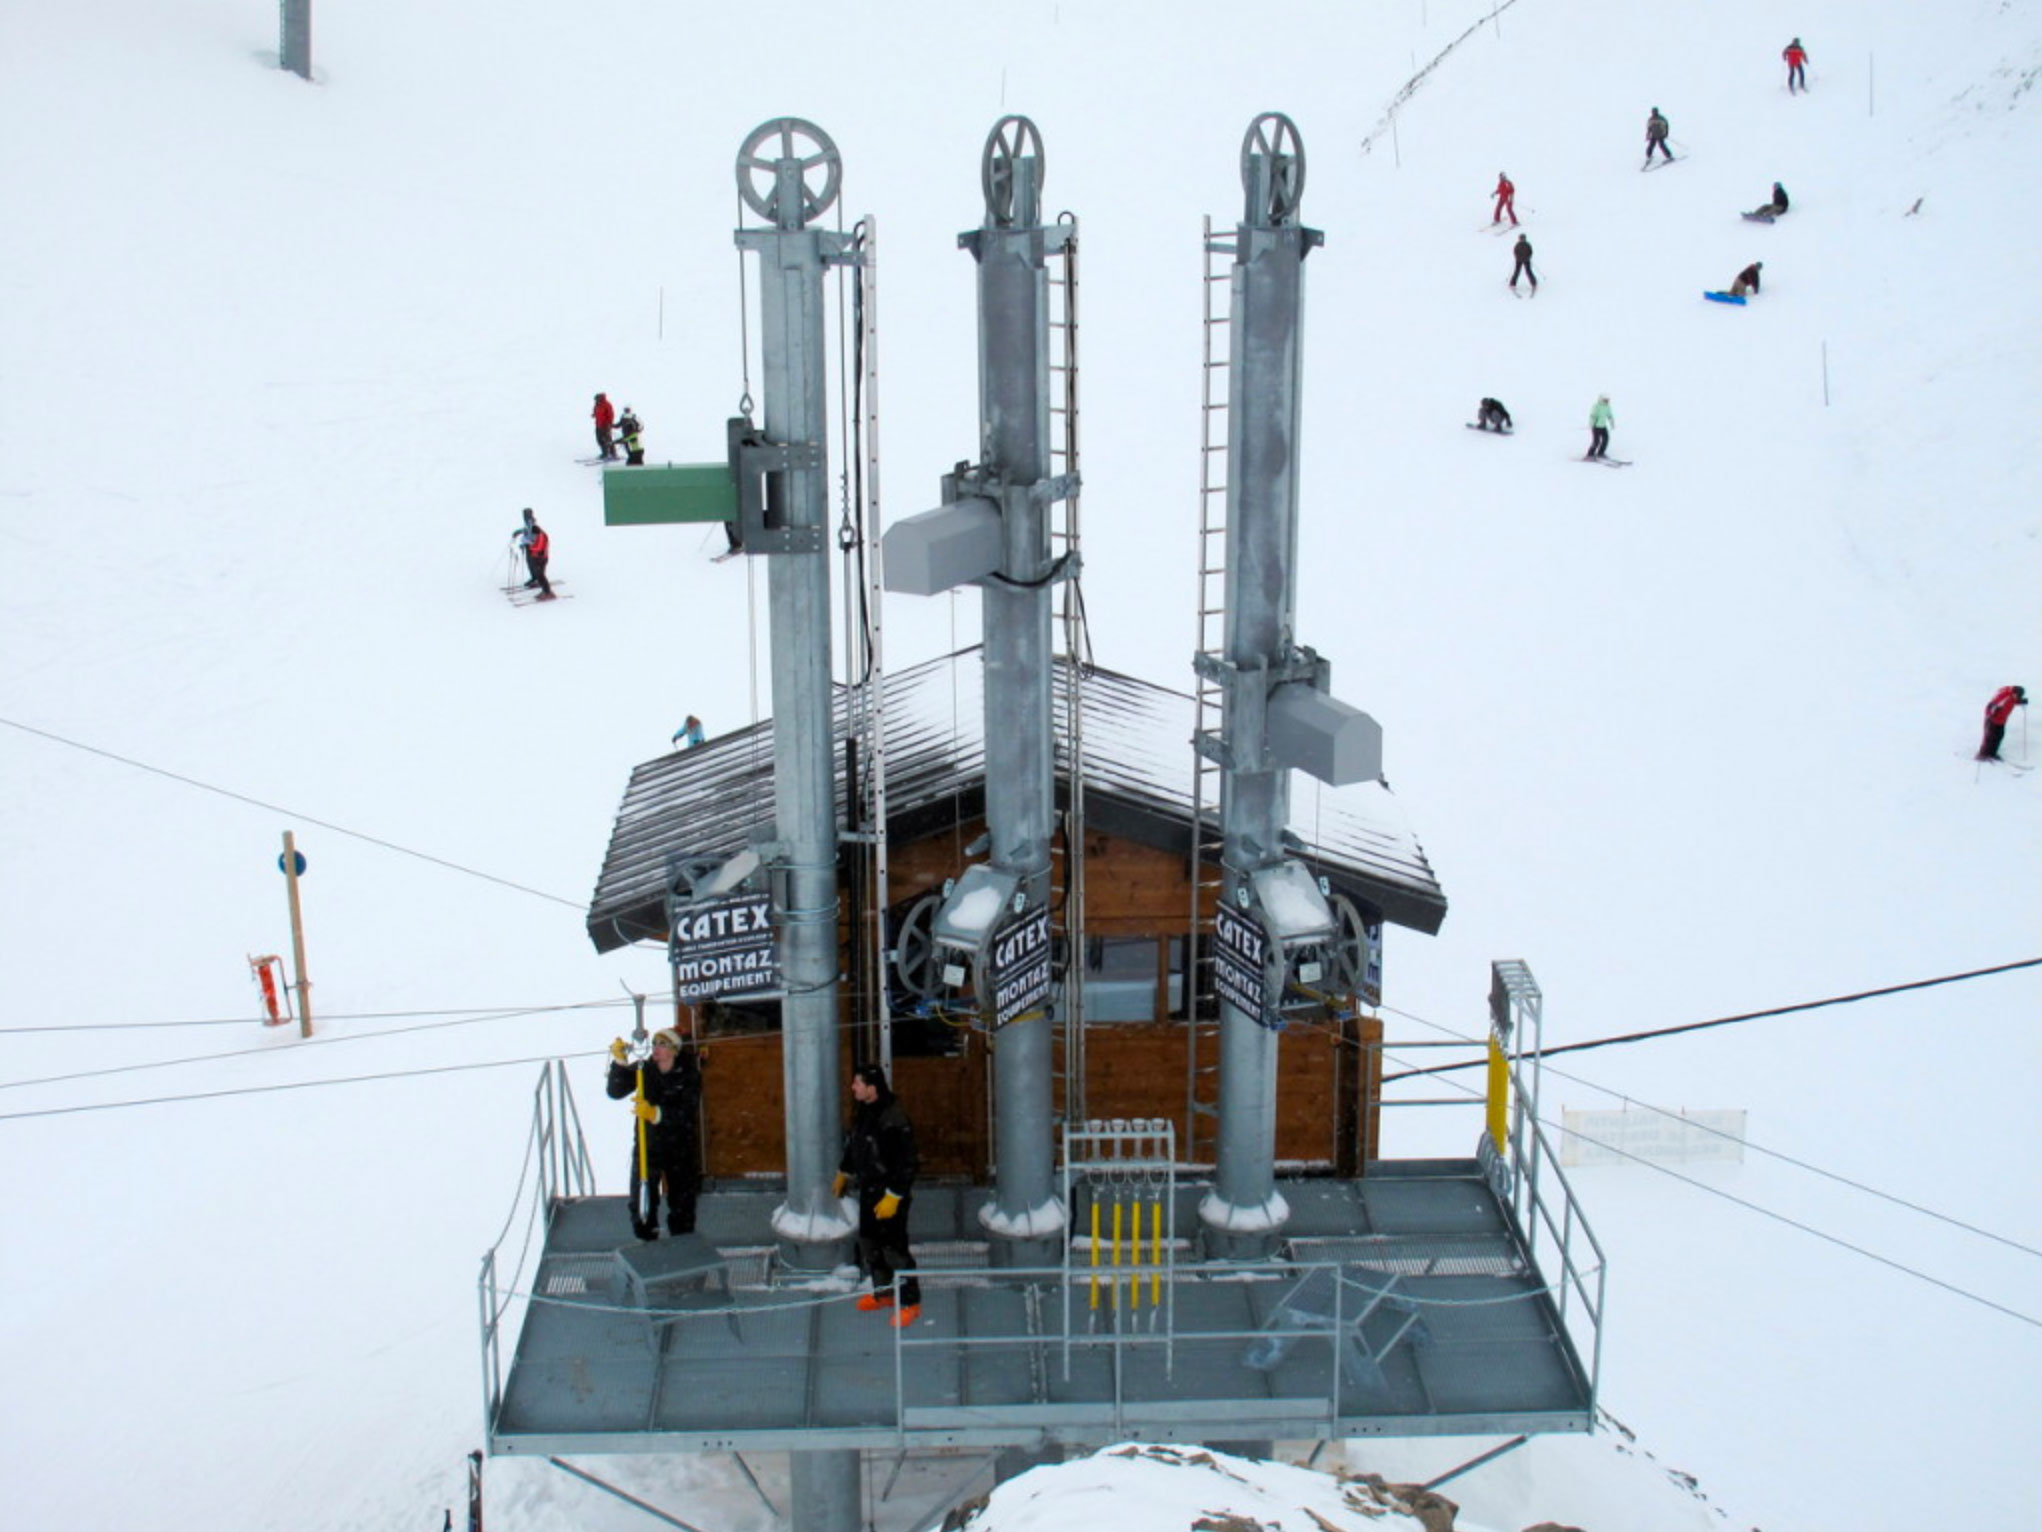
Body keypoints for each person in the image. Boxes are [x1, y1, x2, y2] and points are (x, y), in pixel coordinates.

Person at [835, 1062, 921, 1327]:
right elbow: (856, 1144)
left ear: (872, 1088)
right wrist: (845, 1171)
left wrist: (894, 1195)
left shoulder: (893, 1118)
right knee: (870, 1243)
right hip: (869, 1190)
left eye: (857, 1083)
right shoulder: (864, 1111)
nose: (853, 1088)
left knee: (894, 1247)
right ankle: (883, 1292)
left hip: (889, 1195)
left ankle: (910, 1301)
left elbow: (908, 1162)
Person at [606, 1028, 706, 1240]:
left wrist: (656, 1113)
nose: (656, 1048)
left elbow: (686, 1111)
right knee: (643, 1198)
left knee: (682, 1200)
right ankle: (647, 1238)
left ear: (674, 1050)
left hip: (679, 1145)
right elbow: (616, 1091)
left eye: (661, 1044)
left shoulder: (688, 1074)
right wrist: (620, 1063)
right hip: (648, 1145)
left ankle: (683, 1242)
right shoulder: (645, 1068)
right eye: (654, 1043)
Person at [1977, 685, 2027, 762]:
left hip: (2001, 720)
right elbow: (1990, 706)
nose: (2017, 698)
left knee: (1999, 736)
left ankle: (1992, 753)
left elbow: (2013, 701)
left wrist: (2020, 701)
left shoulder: (2013, 695)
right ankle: (1982, 755)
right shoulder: (2004, 696)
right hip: (1993, 720)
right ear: (2015, 693)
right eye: (2017, 696)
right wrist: (1992, 712)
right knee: (1989, 738)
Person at [514, 508, 554, 600]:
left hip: (540, 557)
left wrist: (528, 546)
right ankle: (534, 579)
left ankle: (547, 592)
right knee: (531, 566)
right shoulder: (529, 526)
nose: (525, 518)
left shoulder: (539, 533)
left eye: (527, 516)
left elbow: (539, 547)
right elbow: (527, 533)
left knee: (540, 574)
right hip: (533, 554)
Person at [592, 392, 617, 460]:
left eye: (596, 399)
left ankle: (613, 453)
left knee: (607, 439)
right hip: (598, 425)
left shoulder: (607, 404)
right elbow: (596, 411)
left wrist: (609, 424)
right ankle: (604, 452)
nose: (595, 400)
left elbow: (611, 415)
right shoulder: (597, 404)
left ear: (600, 398)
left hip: (605, 425)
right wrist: (594, 415)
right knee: (599, 439)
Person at [1587, 395, 1613, 459]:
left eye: (1608, 400)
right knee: (1596, 441)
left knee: (1606, 439)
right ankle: (1590, 454)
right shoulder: (1596, 406)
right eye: (1605, 400)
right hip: (1596, 427)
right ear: (1601, 399)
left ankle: (1600, 453)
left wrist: (1612, 423)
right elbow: (1592, 416)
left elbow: (1609, 415)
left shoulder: (1607, 407)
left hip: (1603, 426)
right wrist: (1591, 424)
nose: (1607, 401)